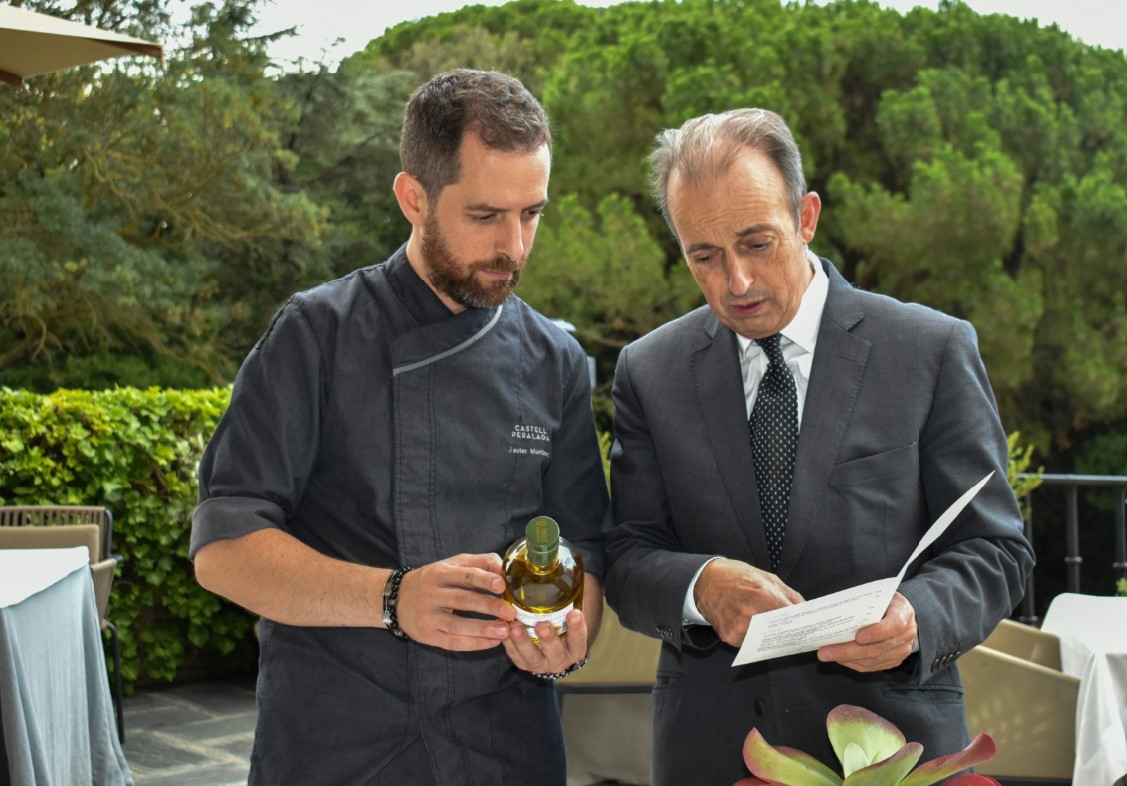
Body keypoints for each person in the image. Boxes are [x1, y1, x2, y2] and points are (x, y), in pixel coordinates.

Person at [190, 69, 609, 784]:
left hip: (505, 747)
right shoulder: (315, 334)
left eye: (531, 213)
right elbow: (224, 548)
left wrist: (572, 636)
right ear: (413, 198)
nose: (515, 245)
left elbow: (586, 551)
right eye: (486, 216)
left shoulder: (558, 361)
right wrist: (390, 598)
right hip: (338, 741)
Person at [604, 108, 1035, 784]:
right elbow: (627, 558)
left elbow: (997, 550)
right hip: (711, 755)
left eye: (757, 243)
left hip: (896, 752)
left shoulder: (931, 350)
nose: (735, 283)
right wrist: (700, 586)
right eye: (704, 257)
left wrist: (918, 617)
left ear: (806, 217)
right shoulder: (648, 371)